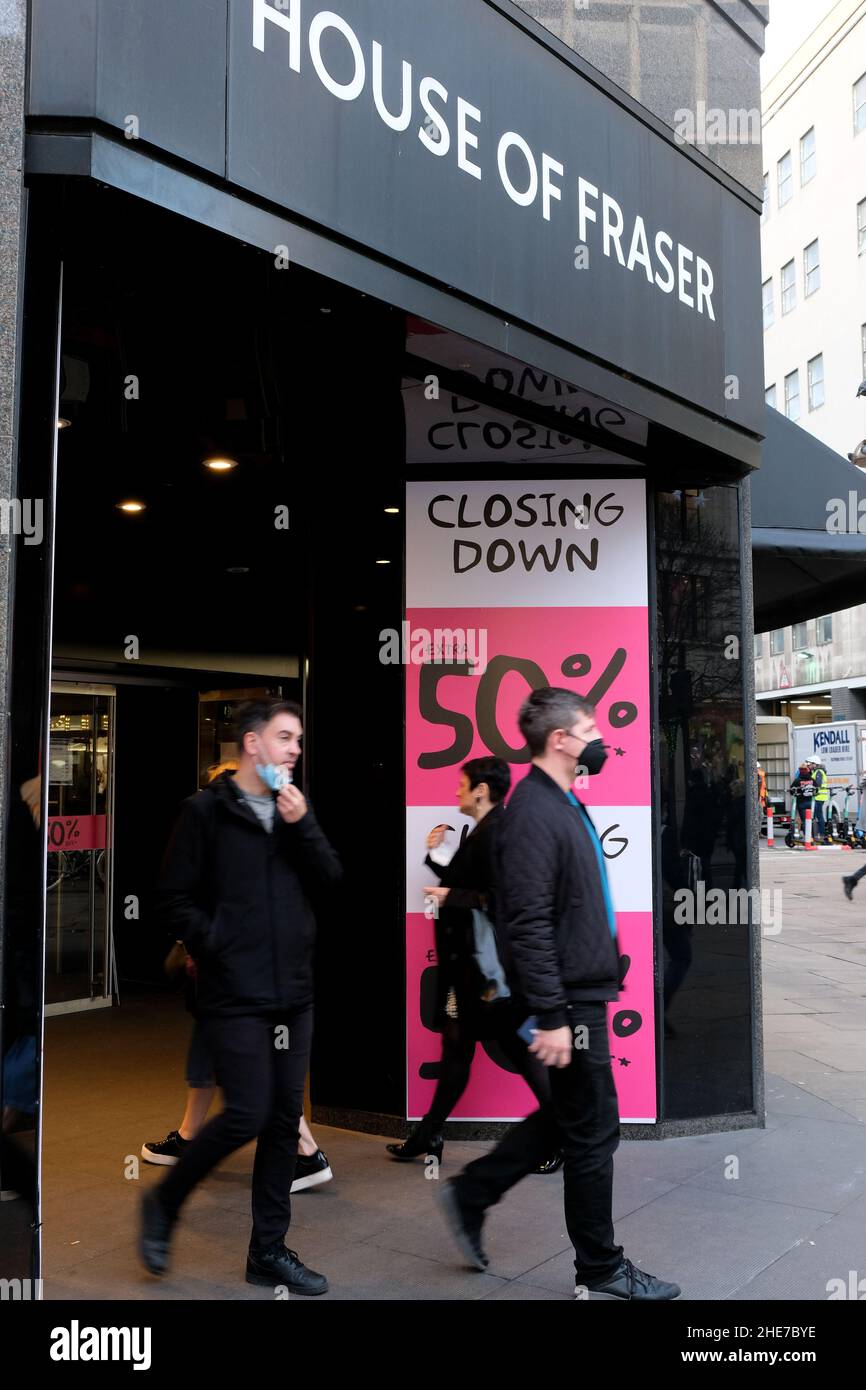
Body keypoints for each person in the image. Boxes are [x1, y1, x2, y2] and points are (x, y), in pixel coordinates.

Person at [435, 687, 681, 1301]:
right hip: (566, 1003)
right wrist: (550, 1014)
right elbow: (528, 923)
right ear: (560, 740)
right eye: (589, 728)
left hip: (575, 994)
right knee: (594, 1131)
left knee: (573, 1115)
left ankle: (473, 1191)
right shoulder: (533, 815)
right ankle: (600, 1265)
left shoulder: (560, 800)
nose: (599, 738)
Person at [138, 699, 342, 1294]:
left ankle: (268, 1253)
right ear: (252, 744)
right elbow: (172, 898)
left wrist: (304, 823)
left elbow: (331, 881)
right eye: (285, 738)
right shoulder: (203, 813)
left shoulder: (292, 811)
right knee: (250, 1111)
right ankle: (165, 1202)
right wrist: (220, 940)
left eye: (299, 739)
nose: (295, 749)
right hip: (234, 993)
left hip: (294, 994)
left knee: (283, 1121)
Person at [142, 765, 332, 1196]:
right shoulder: (228, 820)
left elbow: (324, 875)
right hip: (235, 976)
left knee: (255, 1084)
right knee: (215, 1058)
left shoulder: (244, 823)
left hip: (243, 980)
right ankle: (190, 1138)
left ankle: (306, 1151)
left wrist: (211, 942)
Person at [385, 757, 556, 1170]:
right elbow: (472, 885)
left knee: (511, 1050)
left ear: (481, 789)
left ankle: (558, 1136)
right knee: (460, 1052)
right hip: (466, 971)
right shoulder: (486, 830)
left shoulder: (497, 832)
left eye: (463, 785)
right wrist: (437, 859)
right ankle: (430, 1135)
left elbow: (503, 898)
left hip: (482, 974)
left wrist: (450, 897)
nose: (457, 791)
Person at [812, 760, 830, 842]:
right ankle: (820, 833)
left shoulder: (818, 771)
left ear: (815, 764)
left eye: (812, 764)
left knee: (817, 815)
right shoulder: (821, 771)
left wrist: (812, 791)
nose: (811, 765)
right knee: (819, 815)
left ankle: (820, 833)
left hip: (818, 797)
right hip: (821, 796)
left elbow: (818, 784)